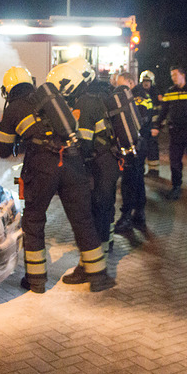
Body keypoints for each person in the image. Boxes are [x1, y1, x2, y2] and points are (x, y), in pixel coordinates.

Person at [0, 66, 115, 294]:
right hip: (72, 163)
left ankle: (36, 280)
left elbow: (2, 149)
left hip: (42, 168)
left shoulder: (14, 108)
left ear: (8, 89)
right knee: (83, 219)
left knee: (34, 221)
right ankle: (99, 275)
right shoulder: (49, 99)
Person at [53, 60, 119, 255]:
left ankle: (100, 250)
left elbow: (85, 143)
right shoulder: (100, 94)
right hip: (111, 158)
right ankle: (109, 241)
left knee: (99, 205)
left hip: (101, 162)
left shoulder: (84, 103)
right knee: (107, 203)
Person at [151, 65, 187, 200]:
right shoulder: (170, 92)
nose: (173, 78)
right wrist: (156, 126)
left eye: (175, 75)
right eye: (172, 76)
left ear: (183, 75)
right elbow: (163, 112)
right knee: (174, 161)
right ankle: (176, 187)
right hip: (175, 132)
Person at [115, 72, 152, 233]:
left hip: (136, 144)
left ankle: (126, 217)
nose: (118, 88)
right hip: (140, 143)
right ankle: (139, 213)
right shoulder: (138, 95)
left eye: (121, 84)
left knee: (129, 181)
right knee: (137, 179)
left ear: (130, 83)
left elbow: (140, 120)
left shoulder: (137, 97)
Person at [138, 70, 161, 178]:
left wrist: (157, 126)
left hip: (153, 127)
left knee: (153, 148)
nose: (146, 83)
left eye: (148, 81)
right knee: (142, 148)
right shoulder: (139, 93)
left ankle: (154, 170)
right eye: (144, 81)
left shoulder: (156, 95)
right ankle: (141, 169)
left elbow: (160, 112)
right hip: (144, 127)